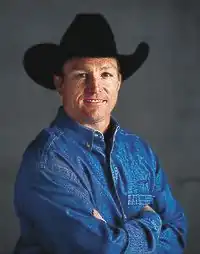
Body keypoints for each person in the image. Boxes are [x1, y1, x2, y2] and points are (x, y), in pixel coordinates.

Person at [13, 13, 187, 253]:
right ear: (60, 83)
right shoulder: (47, 162)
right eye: (81, 75)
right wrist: (152, 222)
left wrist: (118, 237)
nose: (95, 87)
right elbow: (100, 249)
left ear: (119, 81)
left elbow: (178, 235)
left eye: (105, 74)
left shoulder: (140, 152)